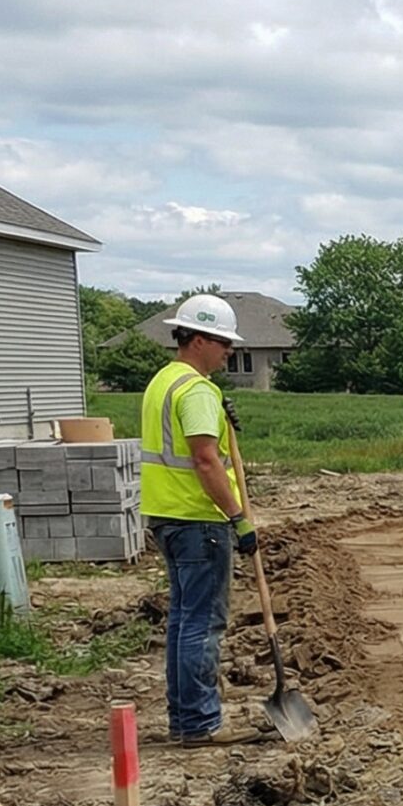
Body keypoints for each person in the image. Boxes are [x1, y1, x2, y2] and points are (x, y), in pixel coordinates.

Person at [139, 294, 259, 747]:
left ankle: (186, 718)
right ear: (200, 339)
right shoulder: (196, 391)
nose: (229, 352)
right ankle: (200, 722)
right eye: (224, 343)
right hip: (199, 520)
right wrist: (238, 517)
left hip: (166, 516)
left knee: (184, 622)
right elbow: (206, 461)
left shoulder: (162, 382)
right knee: (202, 623)